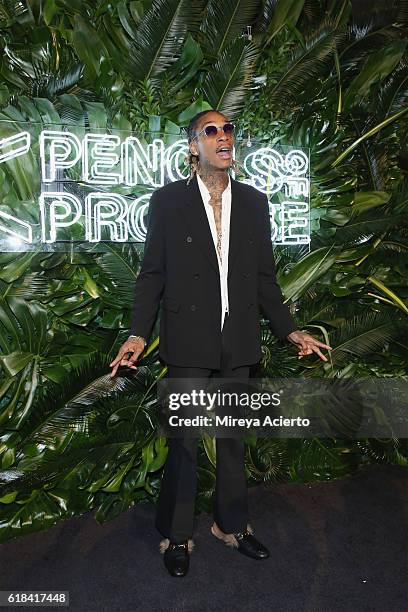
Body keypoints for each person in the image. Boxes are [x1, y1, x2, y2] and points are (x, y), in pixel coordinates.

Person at [109, 109, 332, 577]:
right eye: (212, 130)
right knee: (185, 441)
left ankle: (230, 526)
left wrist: (289, 328)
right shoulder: (169, 202)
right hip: (188, 338)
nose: (224, 136)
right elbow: (153, 275)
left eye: (229, 129)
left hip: (238, 337)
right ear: (194, 146)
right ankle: (176, 535)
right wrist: (137, 333)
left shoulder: (254, 203)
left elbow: (266, 280)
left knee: (232, 439)